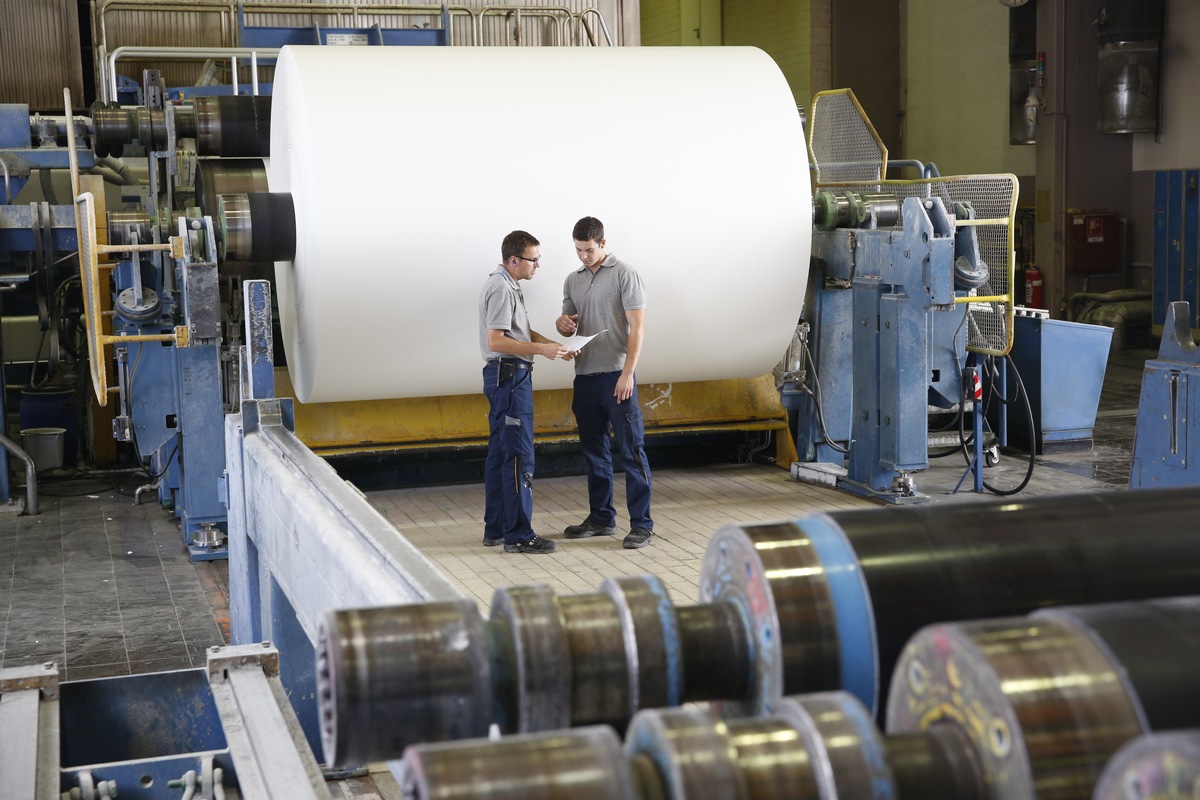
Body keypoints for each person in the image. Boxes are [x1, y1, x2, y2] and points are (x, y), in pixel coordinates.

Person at [555, 217, 655, 549]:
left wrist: (627, 374)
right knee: (595, 452)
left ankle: (642, 524)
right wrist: (563, 326)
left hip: (616, 376)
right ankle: (601, 518)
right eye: (578, 250)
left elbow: (638, 328)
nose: (583, 256)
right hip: (585, 376)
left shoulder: (625, 274)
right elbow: (569, 325)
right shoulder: (573, 280)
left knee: (631, 451)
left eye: (588, 249)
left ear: (602, 243)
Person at [479, 230, 571, 554]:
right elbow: (496, 340)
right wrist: (541, 351)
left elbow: (520, 332)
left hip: (508, 378)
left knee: (502, 454)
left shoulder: (509, 285)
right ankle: (519, 535)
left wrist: (552, 346)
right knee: (519, 455)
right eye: (534, 259)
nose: (538, 266)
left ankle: (497, 529)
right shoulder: (500, 288)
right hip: (509, 379)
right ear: (514, 259)